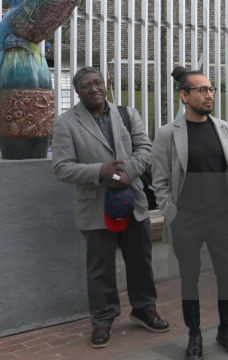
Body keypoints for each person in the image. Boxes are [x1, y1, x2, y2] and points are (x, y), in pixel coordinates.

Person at [52, 67, 168, 349]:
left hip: (133, 202)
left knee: (140, 260)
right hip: (95, 208)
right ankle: (103, 319)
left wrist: (128, 173)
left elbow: (145, 149)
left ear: (107, 85)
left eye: (97, 83)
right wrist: (99, 171)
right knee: (100, 268)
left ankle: (143, 309)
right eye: (86, 85)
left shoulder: (127, 114)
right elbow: (61, 168)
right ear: (77, 91)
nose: (93, 89)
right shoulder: (66, 123)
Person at [151, 67, 228, 359]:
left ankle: (225, 329)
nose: (209, 95)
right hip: (187, 219)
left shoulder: (224, 128)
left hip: (223, 218)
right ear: (184, 95)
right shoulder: (168, 134)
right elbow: (160, 180)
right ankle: (194, 334)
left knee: (226, 276)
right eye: (201, 90)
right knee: (189, 279)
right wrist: (171, 213)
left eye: (210, 89)